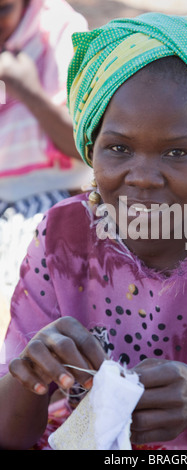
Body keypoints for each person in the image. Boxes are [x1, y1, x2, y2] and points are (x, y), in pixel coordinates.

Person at [0, 12, 187, 450]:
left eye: (177, 152)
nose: (143, 177)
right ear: (90, 146)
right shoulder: (62, 238)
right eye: (118, 148)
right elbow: (10, 435)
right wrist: (32, 374)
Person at [0, 0, 92, 310]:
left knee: (27, 289)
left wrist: (28, 90)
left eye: (3, 9)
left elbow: (87, 146)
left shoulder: (62, 32)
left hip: (50, 198)